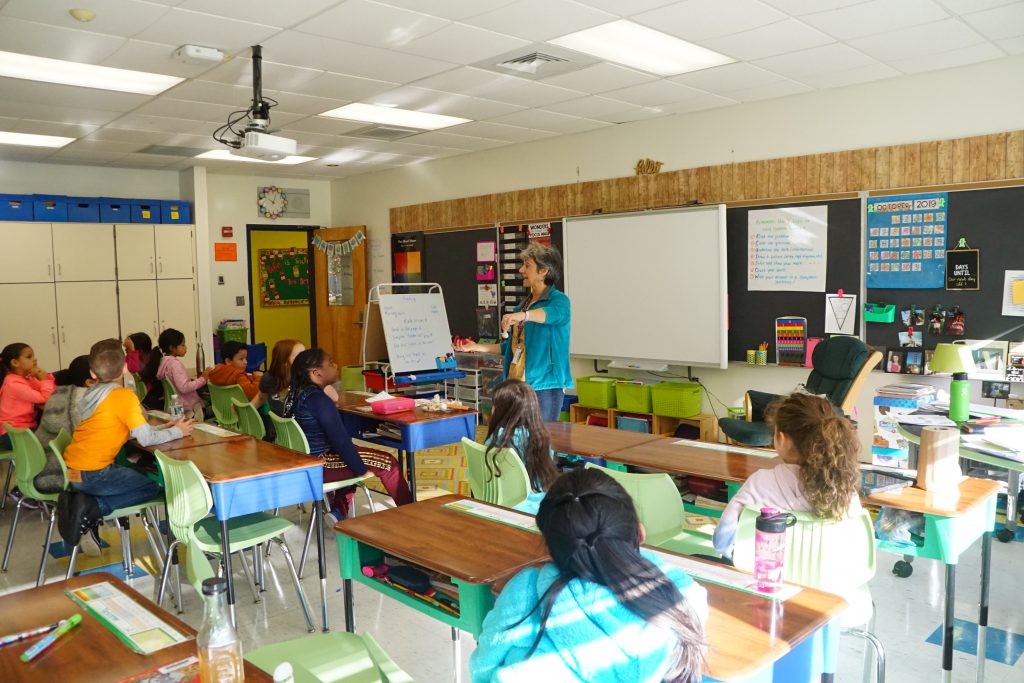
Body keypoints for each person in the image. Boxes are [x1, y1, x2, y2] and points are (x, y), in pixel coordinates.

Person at [470, 468, 708, 683]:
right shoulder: (680, 603)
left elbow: (482, 666)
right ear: (640, 533)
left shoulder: (525, 592)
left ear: (551, 548)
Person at [63, 339, 193, 555]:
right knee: (154, 488)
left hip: (73, 472)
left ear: (93, 374)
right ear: (125, 367)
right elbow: (145, 439)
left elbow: (127, 429)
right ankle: (94, 508)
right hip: (95, 474)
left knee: (134, 472)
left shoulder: (92, 394)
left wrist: (164, 429)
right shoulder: (123, 396)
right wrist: (179, 431)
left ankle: (84, 500)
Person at [712, 392, 863, 560]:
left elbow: (722, 541)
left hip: (762, 579)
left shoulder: (759, 483)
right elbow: (856, 550)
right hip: (823, 583)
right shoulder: (846, 489)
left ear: (782, 439)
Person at [283, 348, 411, 519]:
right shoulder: (319, 400)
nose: (335, 365)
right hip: (320, 464)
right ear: (316, 373)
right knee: (388, 463)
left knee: (354, 454)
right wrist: (360, 469)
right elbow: (341, 441)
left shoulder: (296, 395)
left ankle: (338, 512)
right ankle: (414, 515)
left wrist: (357, 463)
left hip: (302, 463)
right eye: (330, 363)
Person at [456, 243, 572, 422]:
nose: (521, 270)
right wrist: (477, 347)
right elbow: (509, 347)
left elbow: (549, 315)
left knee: (542, 441)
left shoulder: (559, 301)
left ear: (543, 271)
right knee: (517, 438)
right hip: (516, 385)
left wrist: (524, 316)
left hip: (545, 386)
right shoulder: (523, 305)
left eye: (527, 265)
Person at [484, 379, 559, 514]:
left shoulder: (497, 437)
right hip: (536, 511)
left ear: (503, 410)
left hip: (498, 503)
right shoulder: (541, 438)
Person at [34, 355, 94, 492]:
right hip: (59, 475)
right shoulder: (84, 400)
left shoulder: (61, 392)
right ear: (90, 382)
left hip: (42, 466)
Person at [0, 343, 56, 451]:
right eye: (29, 357)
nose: (35, 359)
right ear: (15, 363)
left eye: (33, 356)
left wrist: (44, 377)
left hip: (26, 429)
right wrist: (44, 379)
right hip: (13, 434)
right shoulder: (13, 384)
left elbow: (50, 395)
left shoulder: (28, 378)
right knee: (50, 444)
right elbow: (46, 398)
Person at [148, 328, 212, 420]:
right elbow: (184, 387)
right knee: (213, 403)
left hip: (177, 405)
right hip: (188, 408)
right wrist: (203, 379)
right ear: (172, 348)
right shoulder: (175, 364)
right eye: (183, 345)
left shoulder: (164, 362)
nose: (186, 347)